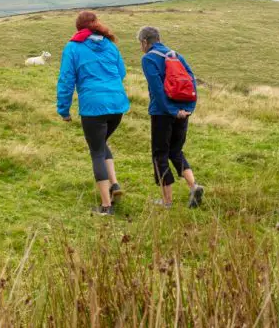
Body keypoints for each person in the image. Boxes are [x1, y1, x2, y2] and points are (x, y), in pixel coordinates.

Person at [57, 11, 130, 215]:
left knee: (96, 151)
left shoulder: (73, 47)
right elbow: (121, 73)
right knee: (101, 143)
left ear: (79, 27)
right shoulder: (110, 45)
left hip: (93, 107)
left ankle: (106, 206)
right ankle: (114, 185)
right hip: (117, 105)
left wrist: (63, 109)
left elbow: (66, 80)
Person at [138, 26, 204, 208]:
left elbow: (157, 89)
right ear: (159, 38)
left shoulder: (149, 58)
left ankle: (167, 201)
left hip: (162, 113)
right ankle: (194, 186)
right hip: (184, 112)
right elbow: (191, 80)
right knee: (176, 151)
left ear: (145, 42)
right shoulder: (175, 55)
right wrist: (188, 108)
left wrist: (170, 110)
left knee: (160, 154)